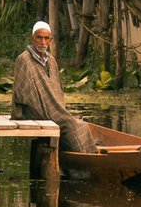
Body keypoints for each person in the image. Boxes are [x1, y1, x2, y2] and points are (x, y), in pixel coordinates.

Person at [12, 21, 97, 153]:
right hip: (32, 109)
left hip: (53, 108)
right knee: (72, 124)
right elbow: (21, 91)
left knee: (81, 124)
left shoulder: (51, 60)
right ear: (33, 38)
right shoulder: (24, 59)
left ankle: (84, 153)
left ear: (50, 40)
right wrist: (41, 104)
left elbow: (57, 89)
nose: (43, 42)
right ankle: (82, 154)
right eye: (39, 37)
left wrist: (57, 108)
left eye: (46, 38)